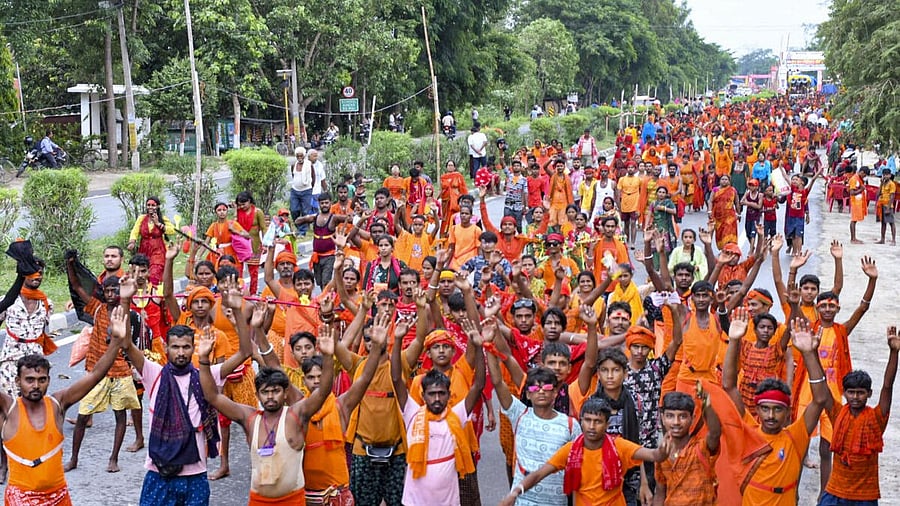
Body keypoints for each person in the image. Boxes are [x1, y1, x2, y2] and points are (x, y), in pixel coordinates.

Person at [198, 314, 334, 504]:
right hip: (258, 500)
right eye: (265, 392)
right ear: (258, 394)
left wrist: (328, 357)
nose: (270, 396)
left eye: (276, 391)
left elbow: (323, 392)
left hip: (293, 500)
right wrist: (203, 359)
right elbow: (212, 396)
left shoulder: (296, 414)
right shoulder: (250, 418)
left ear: (285, 393)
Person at [0, 314, 129, 504]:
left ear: (48, 381)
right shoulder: (8, 408)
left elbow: (94, 375)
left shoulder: (57, 403)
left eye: (41, 380)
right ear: (18, 381)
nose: (36, 386)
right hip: (20, 498)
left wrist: (116, 342)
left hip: (59, 496)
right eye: (30, 380)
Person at [723, 311, 834, 506]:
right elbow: (729, 386)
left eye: (778, 409)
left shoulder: (796, 436)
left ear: (787, 412)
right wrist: (733, 341)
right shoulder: (749, 431)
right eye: (765, 409)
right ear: (757, 409)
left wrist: (809, 354)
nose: (771, 416)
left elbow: (820, 399)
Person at [499, 397, 671, 506]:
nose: (591, 426)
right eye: (587, 420)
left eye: (598, 421)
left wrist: (664, 449)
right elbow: (539, 474)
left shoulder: (619, 446)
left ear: (607, 425)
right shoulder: (571, 449)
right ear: (581, 421)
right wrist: (515, 492)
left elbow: (653, 455)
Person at [64, 265, 142, 474]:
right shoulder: (97, 308)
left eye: (114, 291)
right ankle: (73, 458)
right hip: (97, 373)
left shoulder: (125, 312)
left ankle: (113, 458)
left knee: (120, 416)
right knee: (82, 415)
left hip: (120, 372)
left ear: (120, 292)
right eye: (106, 291)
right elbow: (77, 285)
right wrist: (71, 264)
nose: (110, 294)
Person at [819, 326, 899, 505]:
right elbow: (821, 387)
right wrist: (810, 352)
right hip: (835, 491)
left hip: (865, 496)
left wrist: (894, 352)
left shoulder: (877, 418)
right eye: (851, 392)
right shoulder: (837, 413)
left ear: (869, 393)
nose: (855, 397)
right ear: (844, 392)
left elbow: (888, 386)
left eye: (860, 393)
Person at [653, 390, 722, 505]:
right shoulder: (661, 453)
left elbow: (715, 433)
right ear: (663, 418)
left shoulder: (701, 448)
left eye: (682, 416)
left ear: (692, 419)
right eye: (670, 416)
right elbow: (660, 492)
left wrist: (707, 404)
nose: (676, 422)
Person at [126, 197, 174, 285]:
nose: (150, 207)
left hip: (158, 251)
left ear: (158, 206)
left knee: (155, 272)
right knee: (143, 273)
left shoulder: (162, 218)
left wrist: (158, 224)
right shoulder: (141, 218)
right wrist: (132, 241)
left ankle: (154, 294)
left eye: (153, 205)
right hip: (144, 250)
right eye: (148, 205)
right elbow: (135, 230)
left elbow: (172, 230)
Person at [235, 191, 266, 295]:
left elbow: (263, 228)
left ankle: (253, 293)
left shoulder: (258, 212)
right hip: (240, 246)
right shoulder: (238, 212)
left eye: (244, 204)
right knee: (238, 271)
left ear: (249, 201)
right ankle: (239, 292)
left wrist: (265, 243)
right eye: (240, 204)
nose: (242, 206)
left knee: (254, 272)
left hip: (254, 245)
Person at [289, 147, 315, 236]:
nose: (300, 158)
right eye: (298, 156)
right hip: (295, 190)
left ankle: (302, 231)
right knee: (294, 209)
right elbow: (293, 176)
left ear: (304, 156)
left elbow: (313, 177)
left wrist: (310, 188)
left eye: (301, 156)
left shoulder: (309, 165)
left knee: (305, 211)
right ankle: (298, 226)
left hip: (306, 191)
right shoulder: (293, 165)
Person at [439, 160, 467, 236]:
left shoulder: (458, 176)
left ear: (454, 167)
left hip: (455, 201)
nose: (450, 167)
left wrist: (464, 199)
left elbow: (463, 188)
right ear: (446, 167)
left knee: (456, 217)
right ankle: (444, 237)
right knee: (446, 219)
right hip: (446, 202)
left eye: (451, 165)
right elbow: (442, 190)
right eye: (448, 165)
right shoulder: (443, 177)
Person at [711, 175, 739, 249]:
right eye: (722, 179)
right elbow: (710, 201)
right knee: (720, 233)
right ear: (720, 181)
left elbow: (736, 202)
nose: (724, 181)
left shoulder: (733, 190)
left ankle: (728, 248)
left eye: (726, 179)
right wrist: (709, 211)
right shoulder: (715, 190)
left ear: (729, 181)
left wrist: (738, 214)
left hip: (730, 216)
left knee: (728, 232)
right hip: (718, 216)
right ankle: (723, 248)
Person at [848, 166, 868, 244]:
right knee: (853, 220)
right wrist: (861, 190)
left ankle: (854, 238)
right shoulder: (854, 179)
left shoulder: (859, 179)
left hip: (858, 202)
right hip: (855, 202)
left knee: (855, 220)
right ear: (862, 172)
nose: (864, 177)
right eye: (864, 175)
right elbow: (852, 192)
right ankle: (853, 239)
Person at [876, 168, 896, 245]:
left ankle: (893, 240)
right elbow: (878, 194)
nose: (885, 176)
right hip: (881, 204)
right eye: (884, 175)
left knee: (891, 223)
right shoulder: (883, 184)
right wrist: (881, 183)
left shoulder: (892, 184)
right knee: (883, 223)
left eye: (887, 175)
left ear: (890, 175)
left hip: (888, 205)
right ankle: (882, 239)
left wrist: (888, 208)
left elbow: (892, 196)